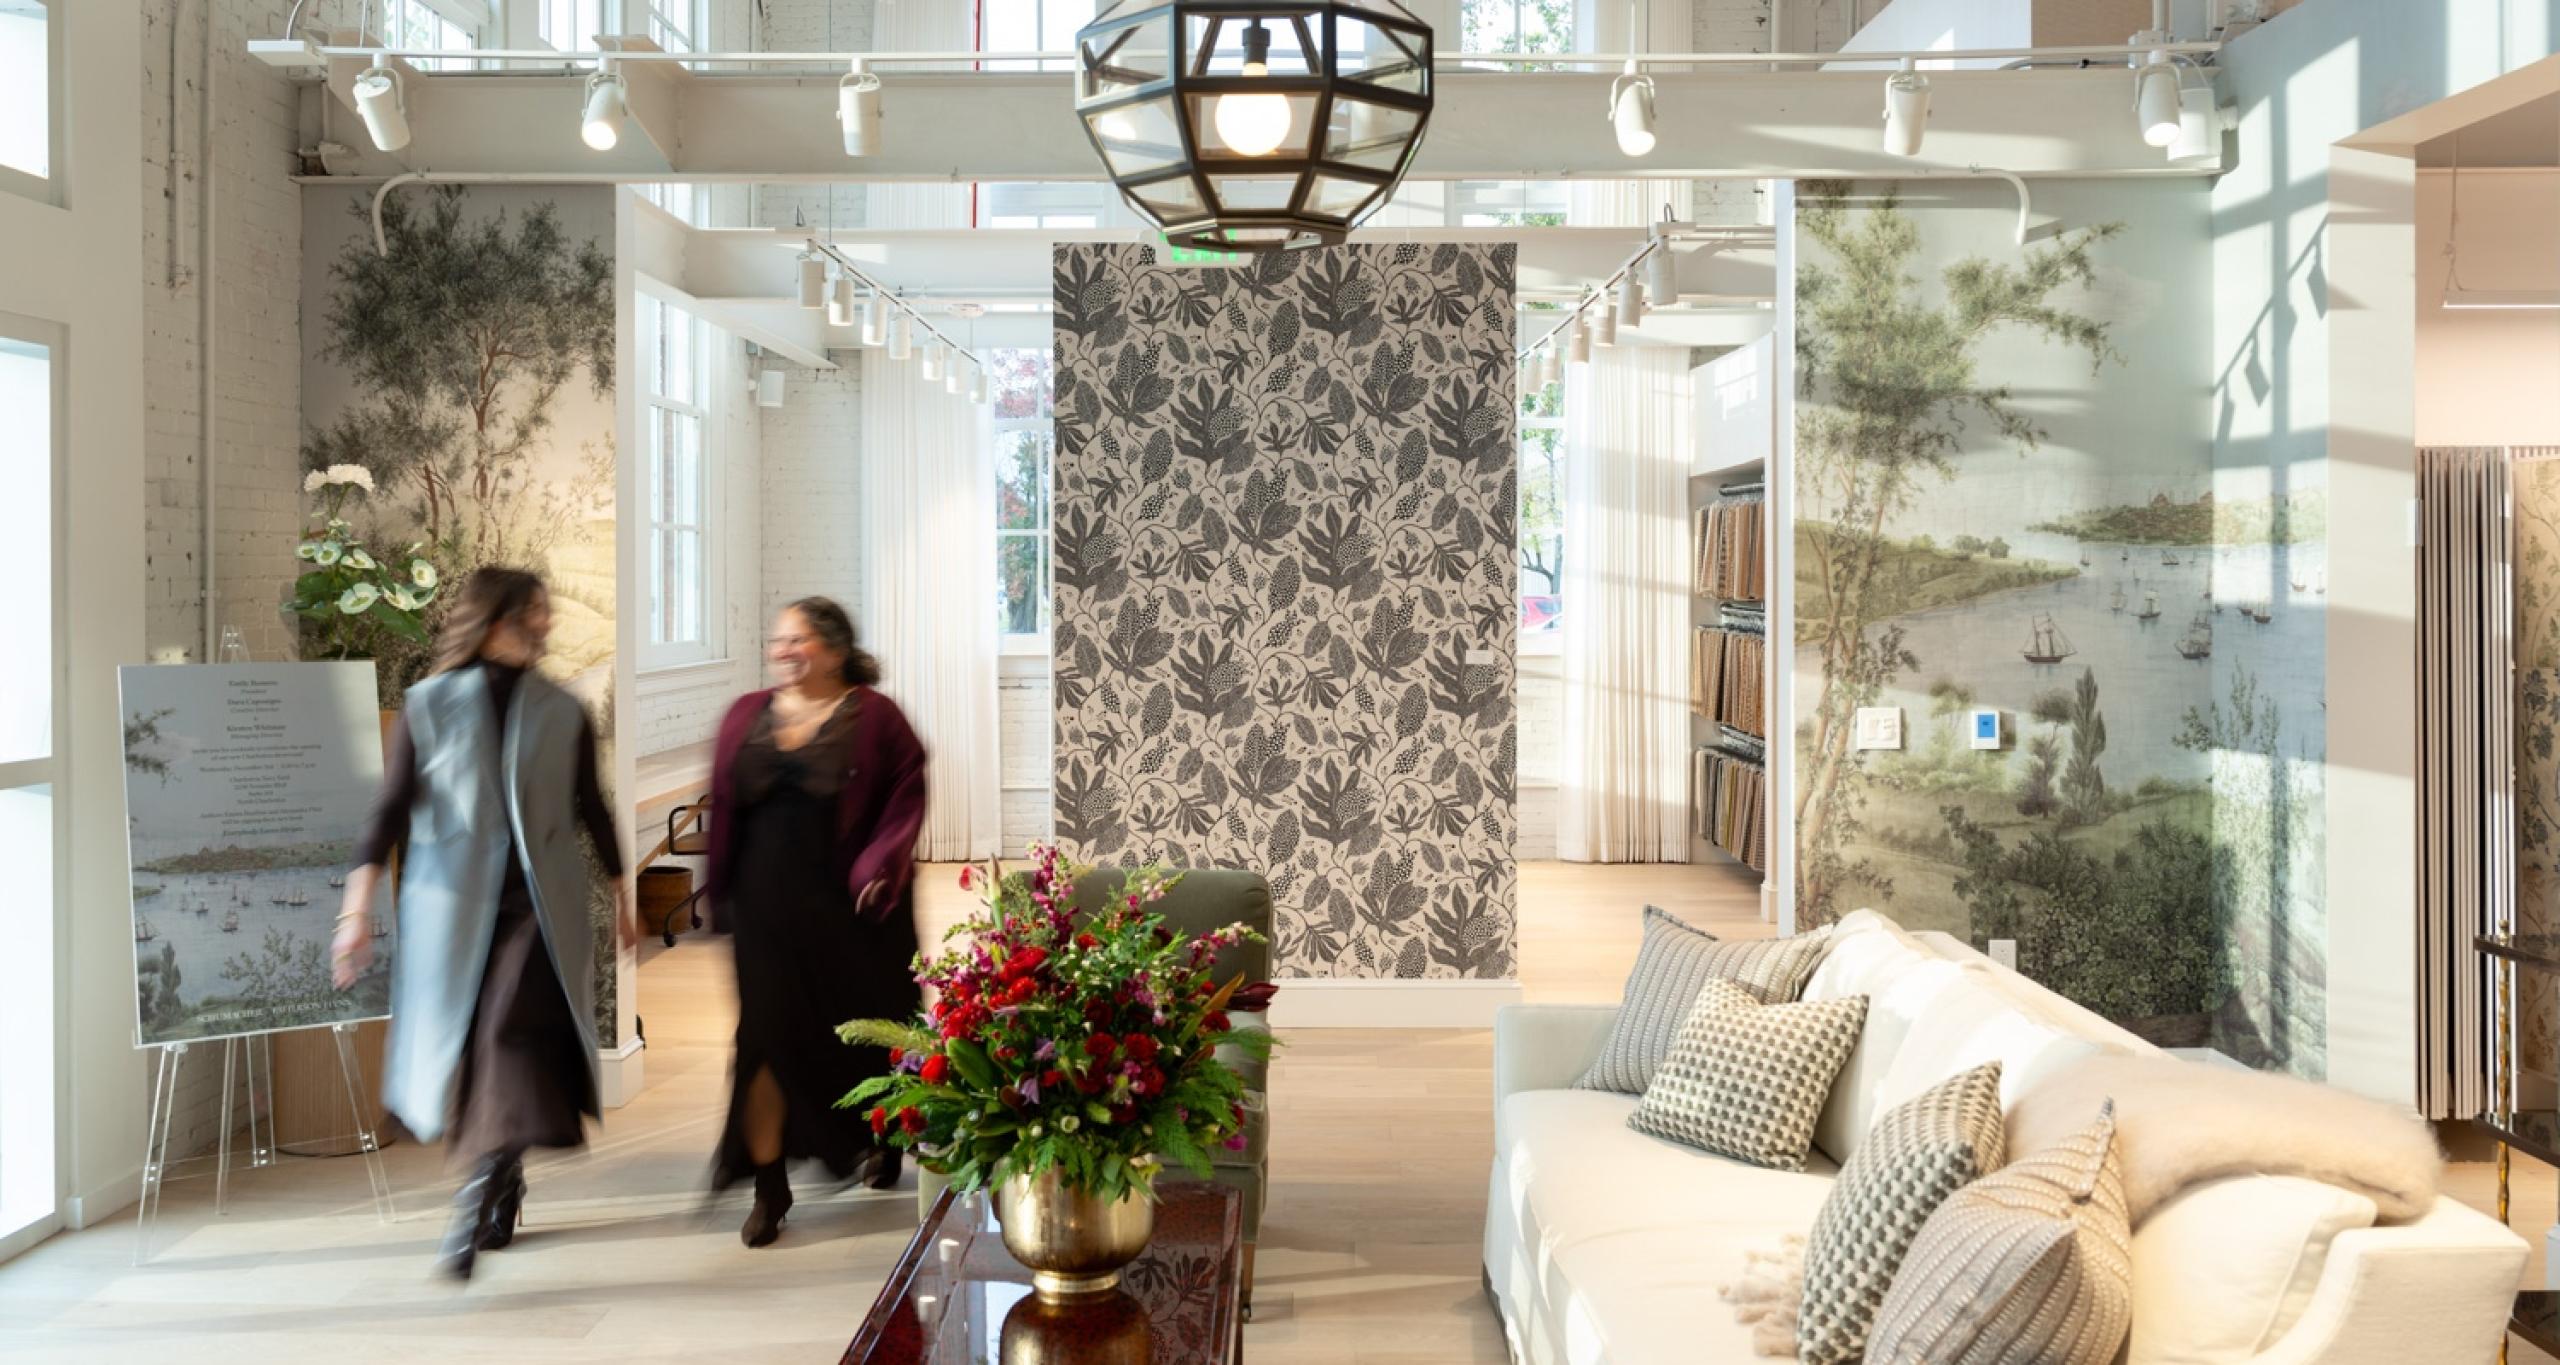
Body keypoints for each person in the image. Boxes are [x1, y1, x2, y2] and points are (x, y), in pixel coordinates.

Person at [333, 567, 635, 1280]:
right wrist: (355, 910)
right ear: (493, 618)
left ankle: (472, 1201)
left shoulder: (563, 709)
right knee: (479, 1051)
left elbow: (592, 804)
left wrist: (623, 898)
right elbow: (388, 811)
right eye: (532, 612)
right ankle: (504, 1175)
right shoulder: (430, 704)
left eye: (546, 611)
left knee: (512, 1032)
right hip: (452, 910)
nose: (545, 624)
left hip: (541, 910)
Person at [704, 597, 927, 1247]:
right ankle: (769, 1185)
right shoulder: (745, 713)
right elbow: (722, 804)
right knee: (763, 1042)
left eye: (797, 639)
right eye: (778, 640)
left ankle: (882, 1134)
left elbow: (905, 796)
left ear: (833, 649)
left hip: (854, 914)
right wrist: (717, 892)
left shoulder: (877, 717)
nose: (783, 650)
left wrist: (880, 862)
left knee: (868, 1032)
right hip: (765, 913)